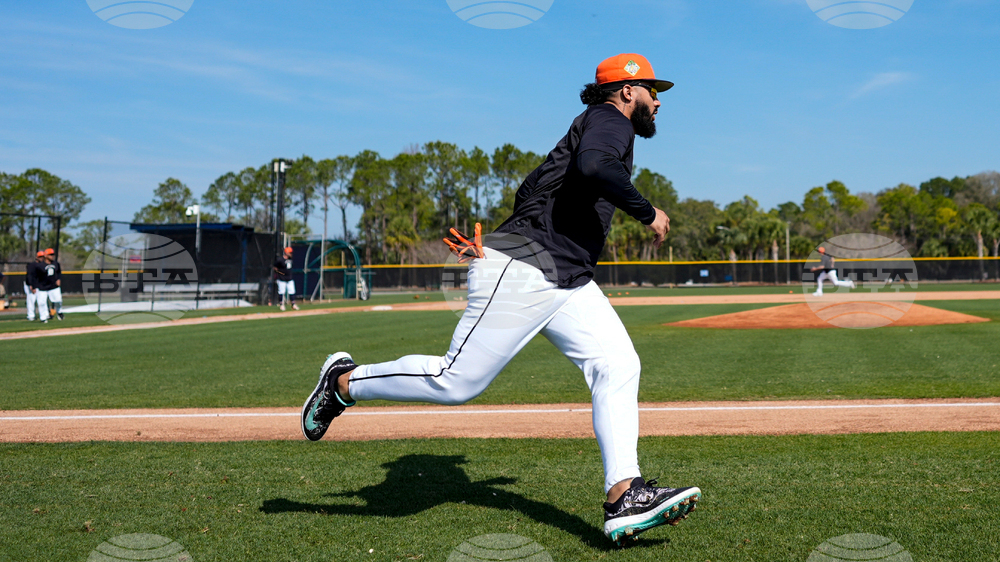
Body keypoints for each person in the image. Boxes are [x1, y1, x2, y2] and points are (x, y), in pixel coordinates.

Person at [300, 53, 700, 544]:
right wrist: (647, 211)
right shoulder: (609, 121)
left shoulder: (594, 124)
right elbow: (596, 167)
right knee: (456, 382)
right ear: (625, 91)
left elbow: (530, 186)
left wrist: (510, 237)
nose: (657, 101)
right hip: (527, 273)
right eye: (650, 91)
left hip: (563, 278)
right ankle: (342, 382)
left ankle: (624, 496)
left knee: (617, 364)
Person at [273, 246, 299, 311]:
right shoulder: (280, 260)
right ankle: (281, 305)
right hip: (282, 278)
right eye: (290, 252)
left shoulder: (290, 259)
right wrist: (280, 273)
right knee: (281, 291)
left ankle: (293, 304)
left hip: (289, 278)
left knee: (292, 291)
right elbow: (275, 267)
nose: (291, 254)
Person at [41, 248, 64, 320]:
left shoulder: (56, 264)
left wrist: (59, 279)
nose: (52, 256)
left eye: (52, 254)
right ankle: (45, 316)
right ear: (45, 255)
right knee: (43, 303)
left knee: (58, 300)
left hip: (54, 286)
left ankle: (59, 312)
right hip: (43, 286)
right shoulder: (41, 265)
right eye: (50, 254)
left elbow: (59, 272)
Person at [24, 251, 44, 322]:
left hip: (38, 285)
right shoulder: (32, 265)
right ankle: (31, 316)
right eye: (40, 257)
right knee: (31, 300)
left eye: (43, 257)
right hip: (30, 285)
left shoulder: (42, 265)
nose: (42, 258)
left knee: (41, 301)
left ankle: (44, 315)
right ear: (37, 257)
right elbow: (29, 276)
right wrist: (31, 285)